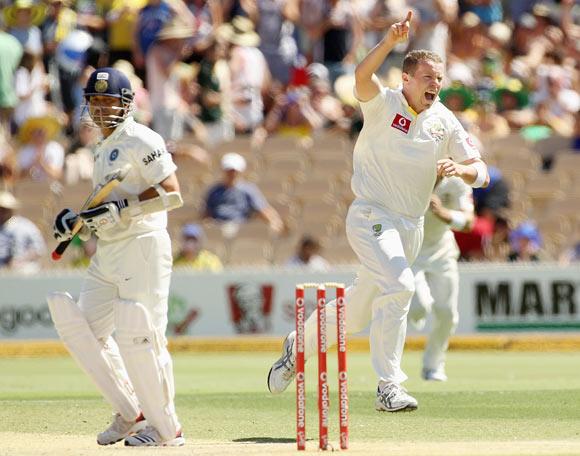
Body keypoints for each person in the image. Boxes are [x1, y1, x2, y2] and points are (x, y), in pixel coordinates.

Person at [267, 11, 489, 413]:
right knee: (402, 286)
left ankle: (297, 344)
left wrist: (464, 170)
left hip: (411, 226)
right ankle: (389, 385)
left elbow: (482, 171)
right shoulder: (384, 104)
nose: (435, 85)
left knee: (353, 316)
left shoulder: (444, 121)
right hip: (371, 215)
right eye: (427, 78)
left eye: (438, 79)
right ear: (405, 79)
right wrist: (388, 41)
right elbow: (359, 78)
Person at [47, 67, 185, 447]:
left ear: (127, 105)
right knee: (84, 331)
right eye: (97, 101)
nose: (104, 108)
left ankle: (166, 428)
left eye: (111, 101)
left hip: (142, 245)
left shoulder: (142, 138)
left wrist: (124, 209)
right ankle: (131, 412)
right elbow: (104, 209)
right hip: (108, 252)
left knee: (142, 335)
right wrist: (77, 223)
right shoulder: (102, 146)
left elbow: (172, 193)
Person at [407, 177, 474, 381]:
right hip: (411, 251)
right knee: (420, 307)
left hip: (442, 252)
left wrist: (442, 212)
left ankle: (433, 366)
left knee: (447, 315)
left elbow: (469, 223)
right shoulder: (410, 172)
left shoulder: (457, 182)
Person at [202, 152, 283, 236]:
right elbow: (206, 214)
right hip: (218, 229)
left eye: (234, 171)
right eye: (229, 171)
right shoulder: (214, 191)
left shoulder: (248, 190)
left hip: (240, 229)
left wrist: (274, 222)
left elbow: (263, 209)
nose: (232, 174)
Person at [0, 190, 46, 274]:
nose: (2, 212)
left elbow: (39, 248)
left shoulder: (25, 226)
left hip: (23, 267)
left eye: (4, 209)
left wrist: (20, 260)